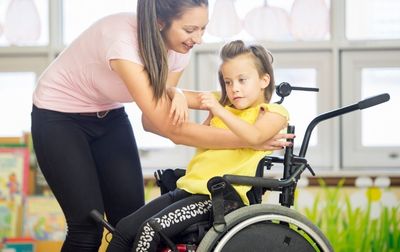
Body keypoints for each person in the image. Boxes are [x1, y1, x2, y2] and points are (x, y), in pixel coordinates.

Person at [31, 1, 292, 251]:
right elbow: (169, 127)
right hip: (60, 116)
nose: (198, 39)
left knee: (128, 221)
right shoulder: (123, 40)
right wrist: (252, 139)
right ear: (160, 22)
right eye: (190, 30)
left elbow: (154, 116)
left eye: (203, 28)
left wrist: (176, 92)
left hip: (109, 114)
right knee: (87, 228)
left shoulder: (179, 50)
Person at [106, 40, 290, 252]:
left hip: (219, 198)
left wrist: (218, 111)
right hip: (188, 187)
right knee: (124, 229)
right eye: (228, 82)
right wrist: (180, 96)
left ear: (264, 80)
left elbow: (255, 136)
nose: (234, 89)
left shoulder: (273, 112)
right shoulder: (221, 101)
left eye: (242, 80)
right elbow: (165, 90)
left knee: (150, 230)